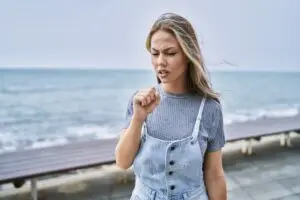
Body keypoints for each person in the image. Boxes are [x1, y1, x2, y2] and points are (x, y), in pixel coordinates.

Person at [115, 12, 227, 200]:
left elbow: (214, 175)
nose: (160, 62)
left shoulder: (209, 109)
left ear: (188, 55)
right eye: (155, 53)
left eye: (170, 53)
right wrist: (138, 118)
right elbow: (122, 162)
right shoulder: (139, 101)